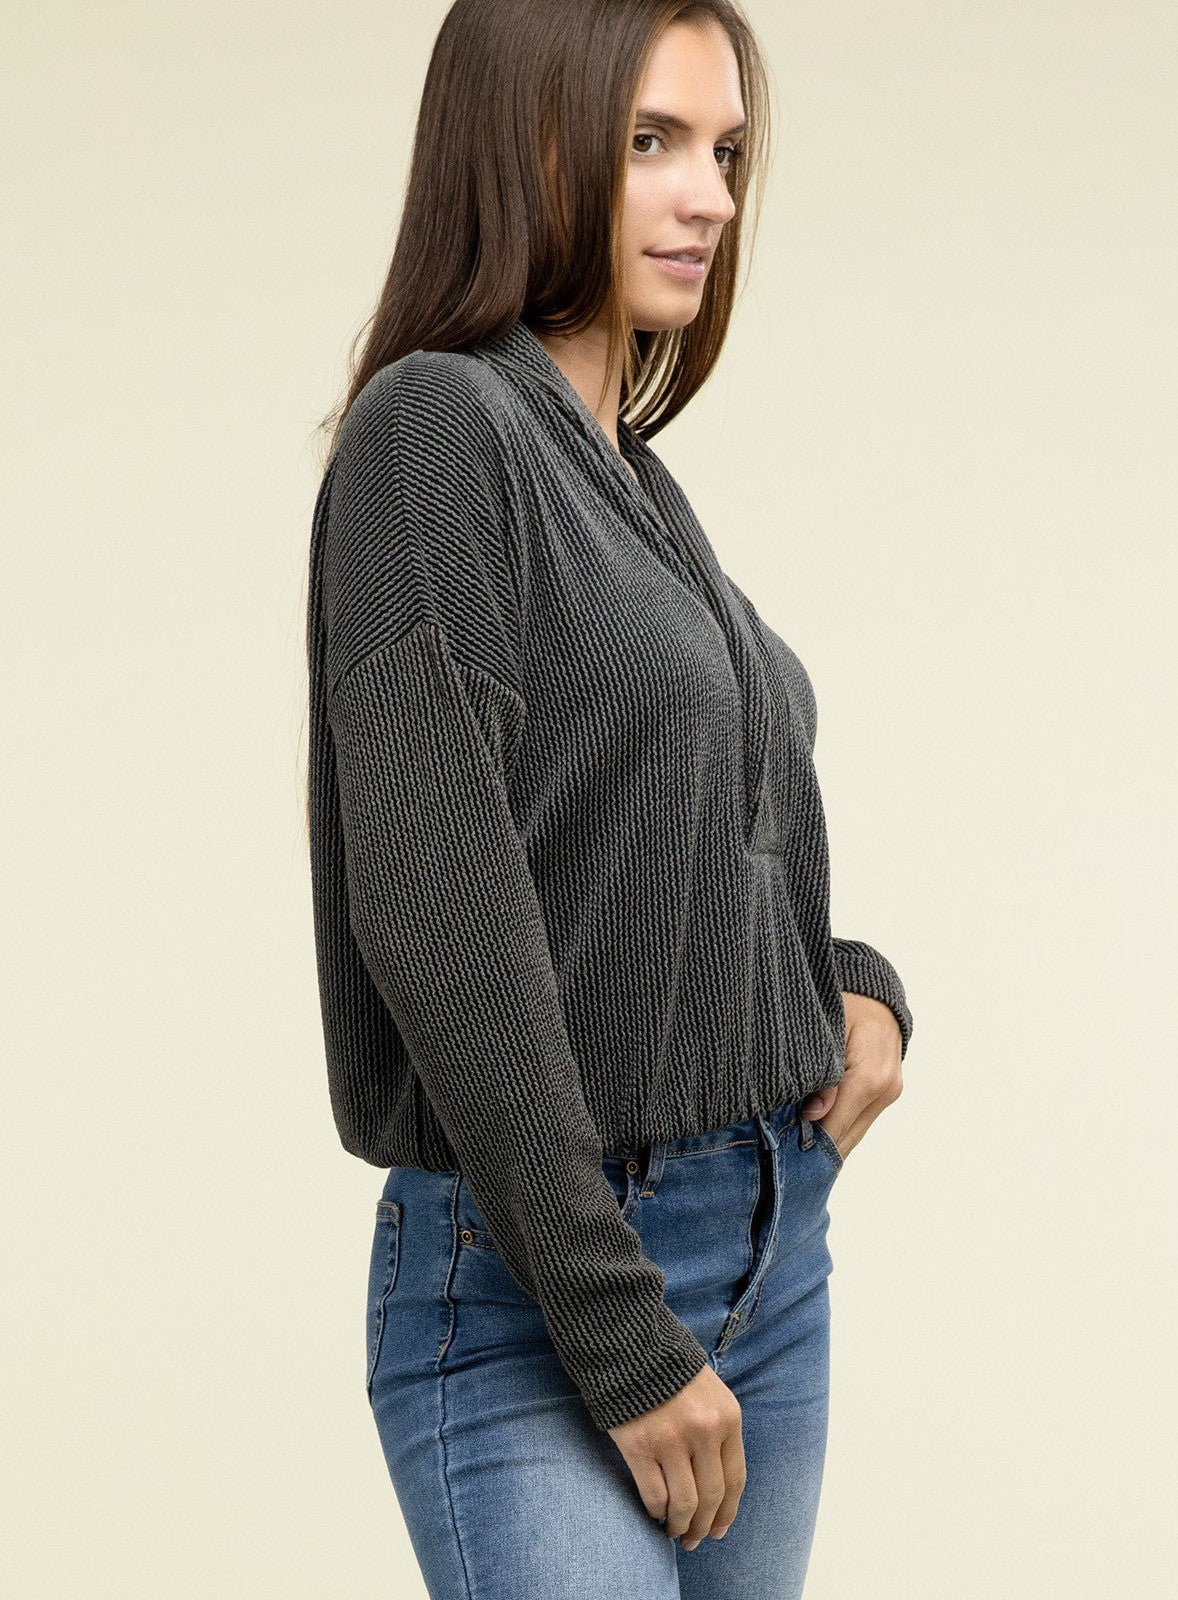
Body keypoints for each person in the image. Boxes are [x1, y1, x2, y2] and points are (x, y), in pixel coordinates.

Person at [304, 1, 913, 1594]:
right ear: (523, 140)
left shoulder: (629, 478)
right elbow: (439, 913)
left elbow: (655, 841)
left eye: (725, 152)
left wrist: (850, 988)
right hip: (543, 1282)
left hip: (765, 1250)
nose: (711, 197)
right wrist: (616, 1328)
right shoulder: (437, 430)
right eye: (652, 143)